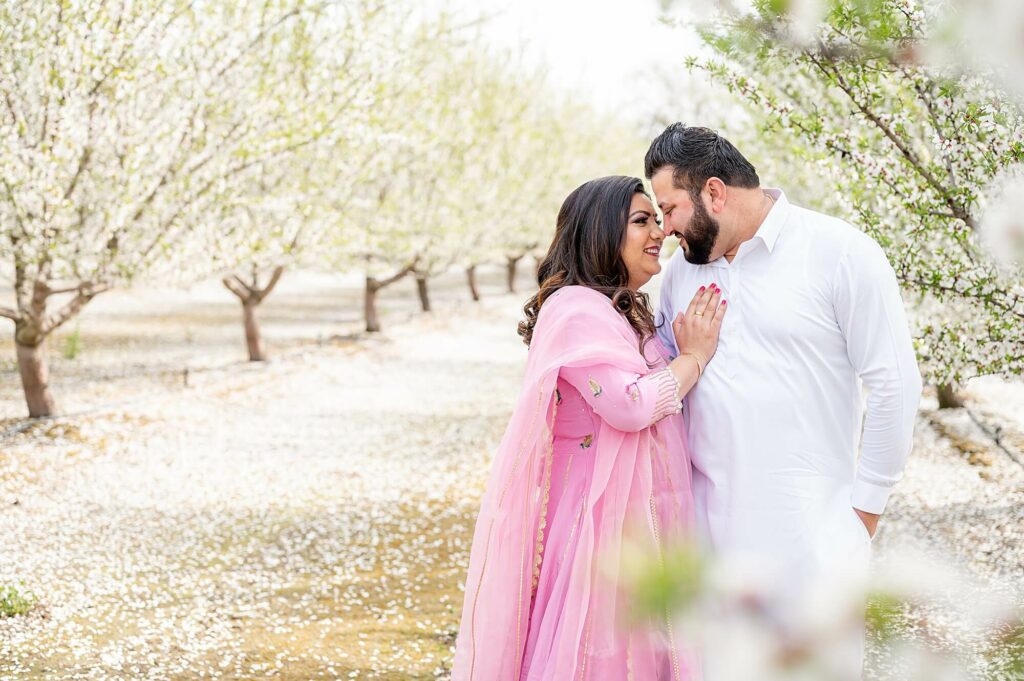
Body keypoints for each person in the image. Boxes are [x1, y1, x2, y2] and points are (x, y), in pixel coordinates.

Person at [646, 123, 923, 676]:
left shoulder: (840, 252)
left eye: (670, 208)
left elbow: (894, 382)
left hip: (813, 544)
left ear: (715, 192)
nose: (666, 227)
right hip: (707, 548)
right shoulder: (679, 275)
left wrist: (864, 511)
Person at [450, 175, 725, 680]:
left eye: (658, 221)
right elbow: (631, 406)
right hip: (595, 530)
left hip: (636, 529)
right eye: (641, 221)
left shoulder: (622, 313)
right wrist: (695, 356)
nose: (658, 233)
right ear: (599, 231)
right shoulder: (575, 309)